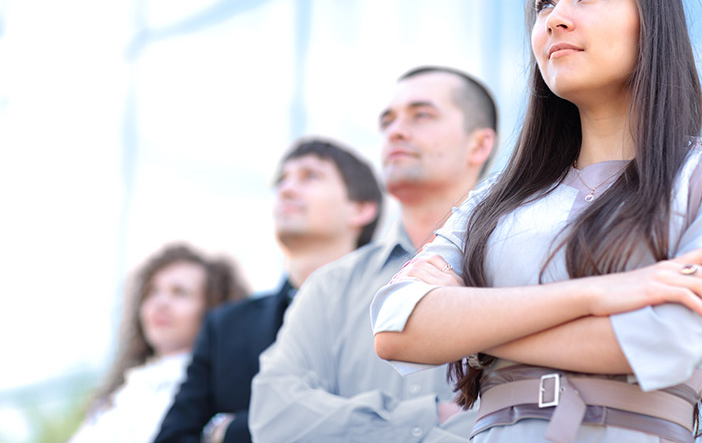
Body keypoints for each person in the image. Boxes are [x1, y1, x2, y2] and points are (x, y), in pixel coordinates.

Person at [372, 0, 702, 443]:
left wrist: (475, 334)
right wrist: (607, 294)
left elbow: (676, 337)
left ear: (649, 21)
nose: (556, 19)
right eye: (544, 5)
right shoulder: (495, 200)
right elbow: (394, 326)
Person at [248, 66, 498, 442]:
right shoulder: (332, 284)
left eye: (422, 115)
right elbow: (274, 417)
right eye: (388, 121)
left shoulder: (519, 268)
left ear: (478, 145)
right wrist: (427, 418)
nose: (395, 131)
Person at [155, 139, 382, 443]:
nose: (286, 190)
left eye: (310, 176)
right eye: (282, 180)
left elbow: (394, 424)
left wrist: (234, 432)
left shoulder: (392, 314)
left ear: (362, 209)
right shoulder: (225, 326)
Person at [69, 244, 249, 443]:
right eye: (152, 291)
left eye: (180, 292)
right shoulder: (125, 388)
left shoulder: (215, 394)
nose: (161, 302)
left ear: (215, 308)